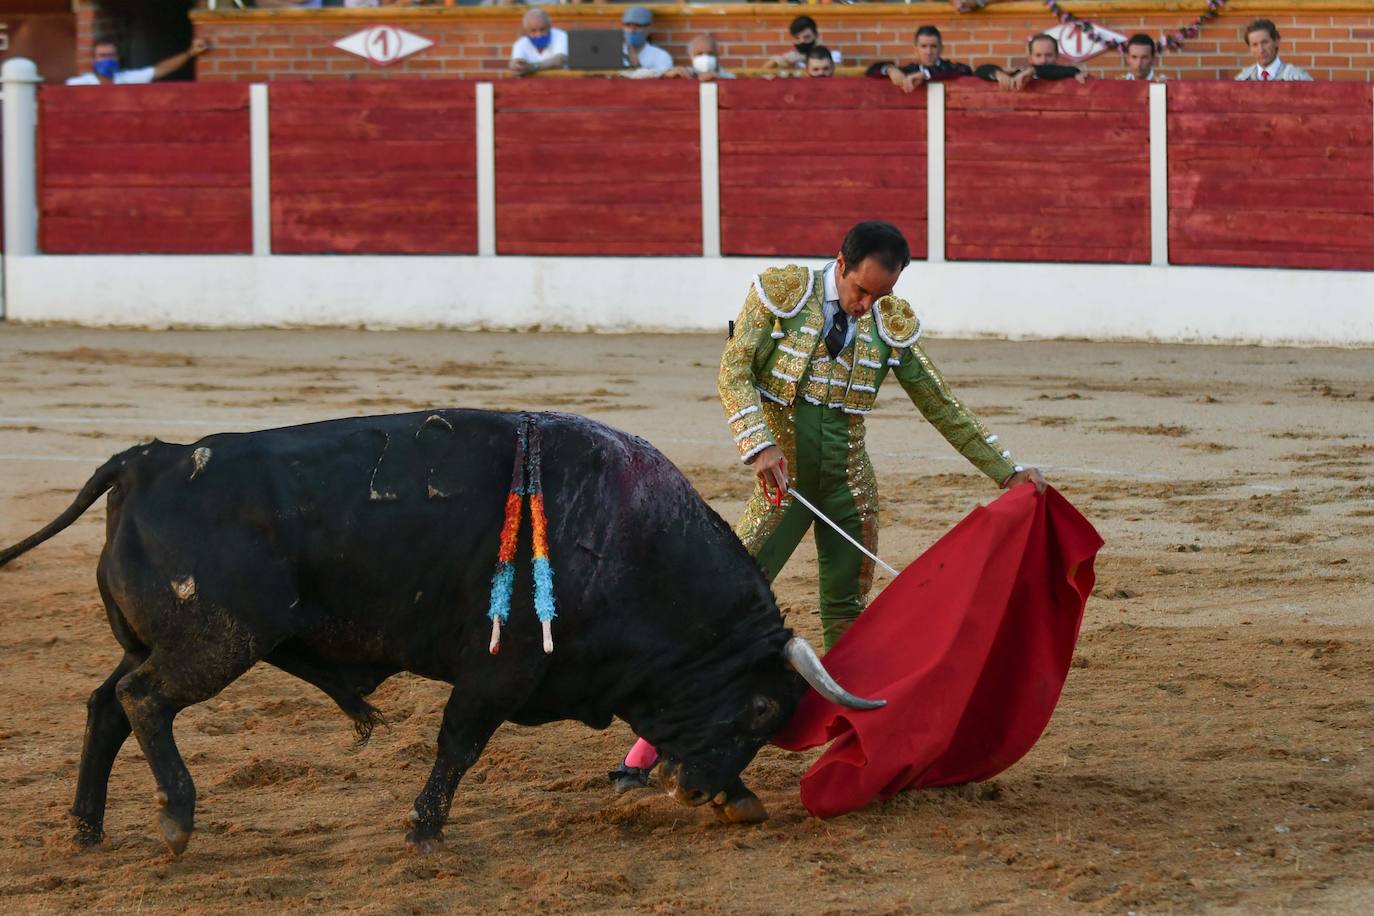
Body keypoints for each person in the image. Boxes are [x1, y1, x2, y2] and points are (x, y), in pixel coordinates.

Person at [609, 221, 1047, 793]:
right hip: (781, 487)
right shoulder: (782, 293)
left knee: (849, 616)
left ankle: (862, 753)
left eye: (880, 296)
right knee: (718, 611)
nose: (867, 307)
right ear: (840, 263)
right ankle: (643, 754)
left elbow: (940, 403)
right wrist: (759, 443)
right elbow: (734, 368)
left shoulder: (890, 324)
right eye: (861, 291)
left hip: (849, 489)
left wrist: (1007, 470)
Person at [866, 25, 973, 93]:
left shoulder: (950, 68)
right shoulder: (911, 70)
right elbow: (871, 71)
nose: (929, 52)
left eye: (933, 46)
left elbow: (966, 70)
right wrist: (890, 70)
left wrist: (925, 74)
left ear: (941, 48)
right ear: (915, 50)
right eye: (924, 46)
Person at [66, 37, 211, 86]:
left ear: (117, 58)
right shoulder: (76, 84)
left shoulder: (127, 78)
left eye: (111, 55)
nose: (107, 59)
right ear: (93, 60)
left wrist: (190, 53)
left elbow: (160, 70)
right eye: (102, 56)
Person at [975, 34, 1087, 91]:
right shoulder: (1021, 74)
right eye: (1038, 55)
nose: (1043, 60)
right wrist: (997, 74)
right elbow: (980, 70)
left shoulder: (1065, 72)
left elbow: (1068, 71)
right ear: (1030, 58)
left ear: (1056, 57)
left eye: (1048, 55)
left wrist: (1033, 71)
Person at [1235, 18, 1312, 81]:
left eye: (1265, 42)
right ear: (1250, 48)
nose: (1261, 50)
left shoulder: (1297, 78)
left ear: (1276, 41)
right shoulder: (1242, 79)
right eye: (1255, 45)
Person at [767, 15, 842, 71]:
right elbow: (761, 74)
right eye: (797, 38)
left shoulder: (833, 55)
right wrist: (776, 61)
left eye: (806, 37)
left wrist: (807, 59)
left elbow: (839, 74)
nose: (802, 41)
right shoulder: (791, 57)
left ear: (816, 35)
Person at [509, 8, 567, 77]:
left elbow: (560, 60)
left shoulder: (561, 36)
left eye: (542, 29)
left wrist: (532, 67)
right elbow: (517, 65)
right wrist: (516, 66)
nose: (538, 35)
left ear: (549, 27)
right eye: (533, 31)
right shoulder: (520, 44)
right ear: (526, 31)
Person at [621, 6, 673, 76]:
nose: (632, 30)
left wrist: (637, 66)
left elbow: (663, 82)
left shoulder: (661, 56)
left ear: (649, 29)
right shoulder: (612, 54)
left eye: (638, 26)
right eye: (628, 25)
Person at [667, 34, 734, 82]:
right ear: (691, 56)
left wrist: (720, 80)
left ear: (717, 56)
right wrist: (667, 75)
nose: (705, 58)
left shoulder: (729, 78)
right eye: (699, 54)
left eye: (710, 54)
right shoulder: (683, 74)